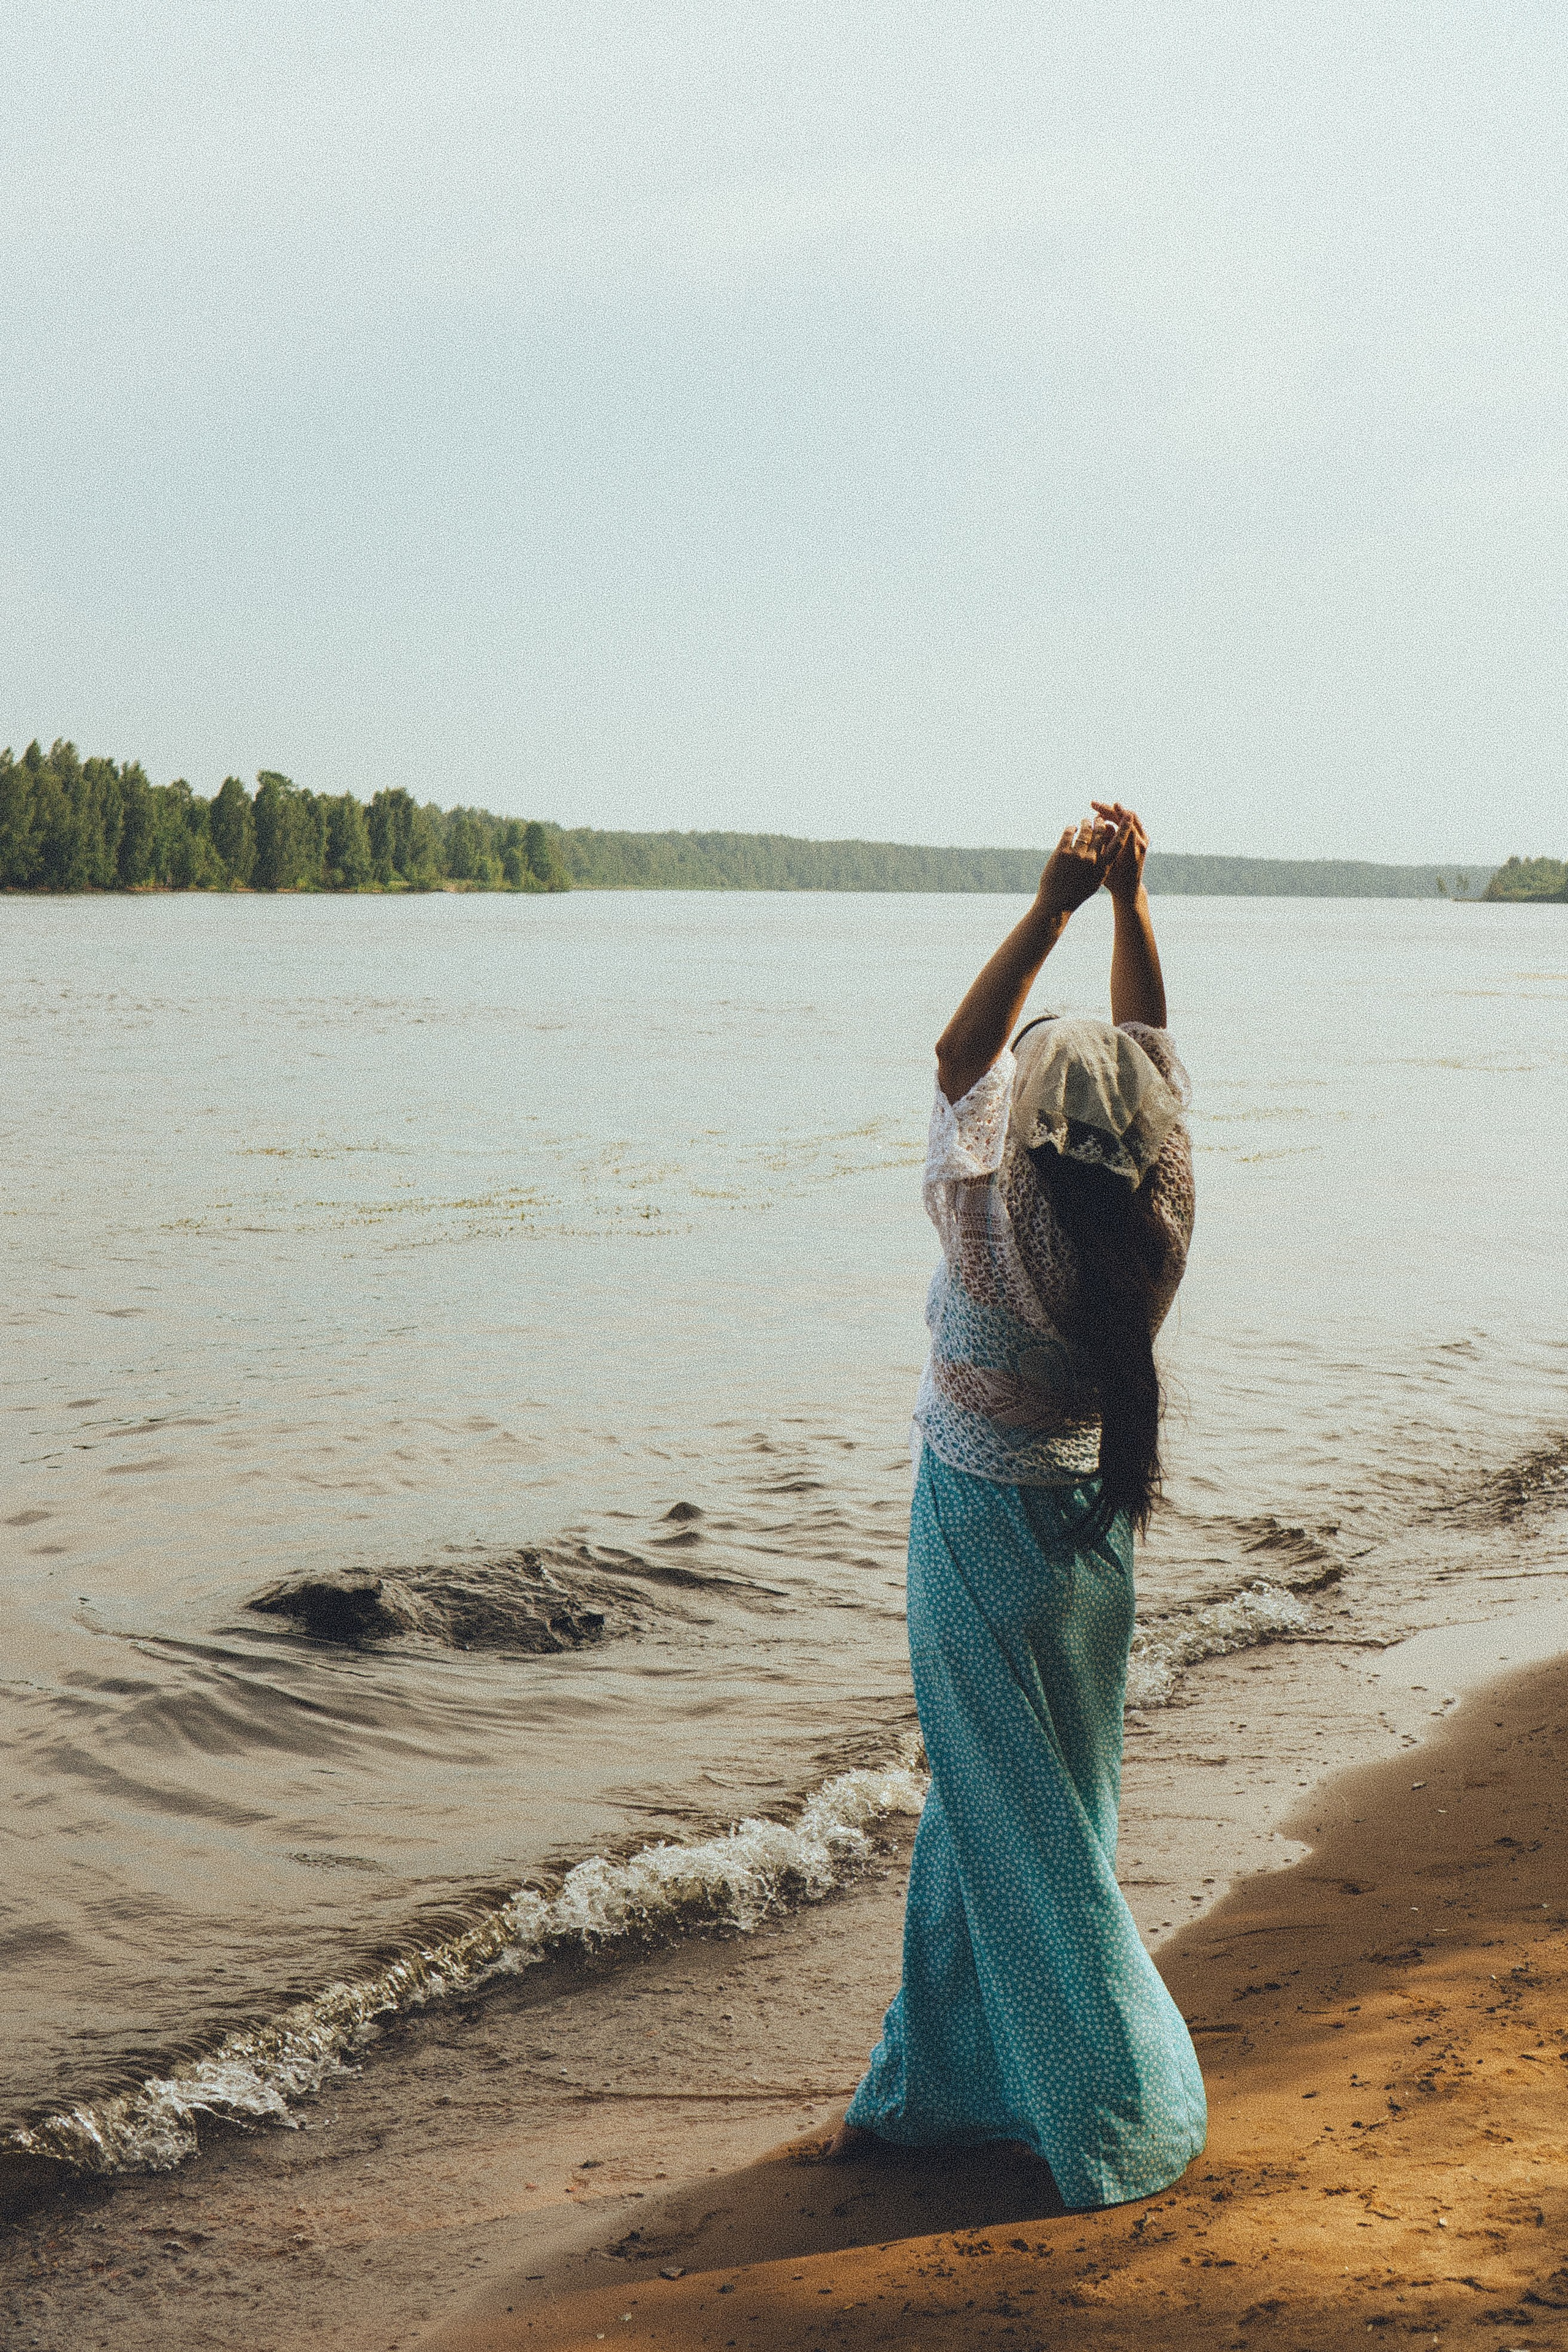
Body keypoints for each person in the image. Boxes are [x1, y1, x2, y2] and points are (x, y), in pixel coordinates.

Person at [824, 802, 1207, 2209]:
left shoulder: (979, 1207)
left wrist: (1056, 905)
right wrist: (1132, 905)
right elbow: (1148, 1049)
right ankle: (926, 2092)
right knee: (1009, 1810)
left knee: (1015, 1827)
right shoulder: (1153, 1220)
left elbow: (953, 1058)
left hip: (980, 1531)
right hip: (1089, 1542)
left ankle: (1112, 2105)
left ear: (1031, 1121)